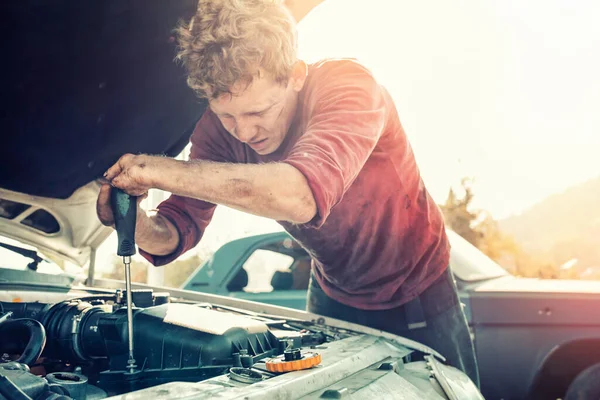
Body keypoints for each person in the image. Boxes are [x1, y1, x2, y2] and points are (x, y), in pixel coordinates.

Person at [97, 0, 479, 386]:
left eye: (259, 112)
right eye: (228, 116)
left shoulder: (350, 90)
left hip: (418, 293)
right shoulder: (217, 130)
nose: (244, 132)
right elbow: (177, 231)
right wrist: (138, 225)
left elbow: (299, 196)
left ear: (295, 75)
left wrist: (159, 170)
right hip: (331, 295)